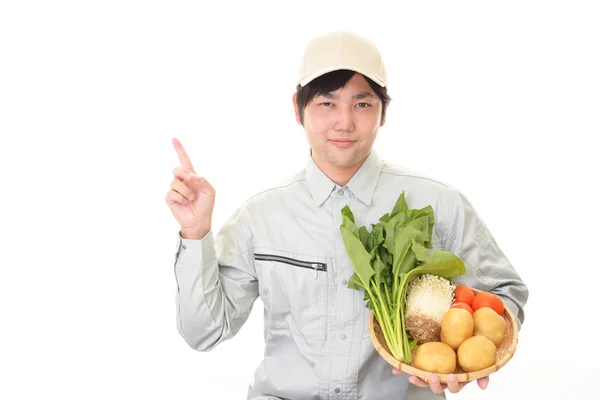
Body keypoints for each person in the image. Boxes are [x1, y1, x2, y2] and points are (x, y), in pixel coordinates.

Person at [165, 30, 529, 399]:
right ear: (297, 108)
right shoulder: (260, 216)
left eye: (362, 104)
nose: (344, 122)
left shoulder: (439, 204)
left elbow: (505, 294)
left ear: (384, 112)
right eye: (327, 103)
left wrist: (468, 358)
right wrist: (195, 233)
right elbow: (205, 333)